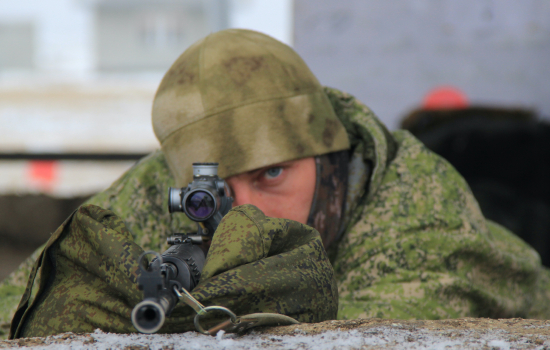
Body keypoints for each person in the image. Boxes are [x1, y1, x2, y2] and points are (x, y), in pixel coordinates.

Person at [2, 29, 550, 338]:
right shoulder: (171, 185)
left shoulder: (417, 204)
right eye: (215, 193)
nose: (244, 215)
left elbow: (391, 331)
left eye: (272, 174)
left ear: (330, 156)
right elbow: (16, 305)